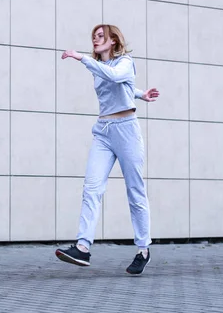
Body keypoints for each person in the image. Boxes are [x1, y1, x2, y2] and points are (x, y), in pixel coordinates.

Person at [56, 24, 159, 275]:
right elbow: (118, 84)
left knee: (135, 190)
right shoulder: (100, 68)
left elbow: (116, 76)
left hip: (126, 130)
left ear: (113, 41)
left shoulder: (126, 61)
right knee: (91, 187)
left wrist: (80, 58)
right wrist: (140, 93)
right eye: (93, 36)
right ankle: (82, 247)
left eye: (100, 35)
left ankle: (143, 249)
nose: (95, 39)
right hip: (103, 131)